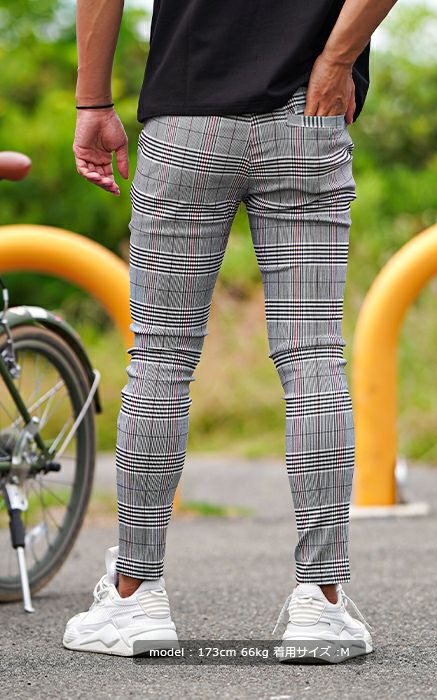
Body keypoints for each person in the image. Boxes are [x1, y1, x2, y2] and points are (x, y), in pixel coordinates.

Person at [63, 0, 398, 660]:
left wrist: (93, 101)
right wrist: (336, 62)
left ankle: (135, 598)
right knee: (313, 357)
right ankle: (321, 606)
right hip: (308, 112)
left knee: (160, 362)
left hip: (186, 118)